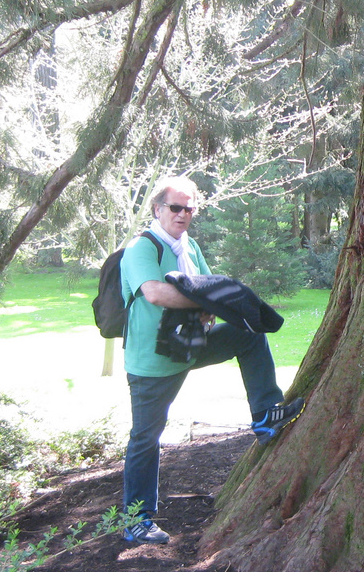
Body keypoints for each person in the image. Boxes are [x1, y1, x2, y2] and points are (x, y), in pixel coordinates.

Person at [119, 176, 303, 544]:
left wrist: (216, 306)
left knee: (249, 333)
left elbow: (205, 287)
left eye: (190, 208)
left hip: (189, 345)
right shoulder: (141, 248)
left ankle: (266, 415)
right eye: (176, 207)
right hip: (153, 362)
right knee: (145, 438)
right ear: (158, 209)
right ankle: (135, 519)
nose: (183, 214)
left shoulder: (190, 246)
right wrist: (208, 303)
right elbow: (156, 293)